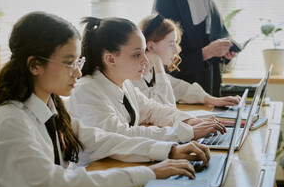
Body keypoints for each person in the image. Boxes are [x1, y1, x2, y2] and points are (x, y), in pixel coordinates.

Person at [0, 11, 212, 187]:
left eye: (78, 62)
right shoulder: (10, 120)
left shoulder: (50, 107)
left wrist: (168, 150)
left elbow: (103, 139)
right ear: (35, 65)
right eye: (69, 62)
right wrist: (148, 173)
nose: (78, 72)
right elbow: (54, 185)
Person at [68, 16, 226, 144]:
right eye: (137, 54)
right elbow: (121, 135)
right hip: (97, 173)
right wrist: (185, 132)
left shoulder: (124, 83)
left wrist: (189, 121)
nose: (145, 60)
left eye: (144, 52)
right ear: (110, 59)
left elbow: (153, 109)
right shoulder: (87, 90)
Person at [153, 0, 242, 97]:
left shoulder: (207, 1)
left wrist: (225, 52)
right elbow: (165, 65)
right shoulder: (165, 10)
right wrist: (205, 53)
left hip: (211, 83)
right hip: (183, 91)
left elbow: (219, 36)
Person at [132, 13, 241, 108]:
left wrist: (213, 100)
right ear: (150, 47)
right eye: (171, 44)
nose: (176, 51)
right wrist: (157, 63)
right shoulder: (134, 78)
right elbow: (166, 107)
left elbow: (181, 88)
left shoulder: (150, 71)